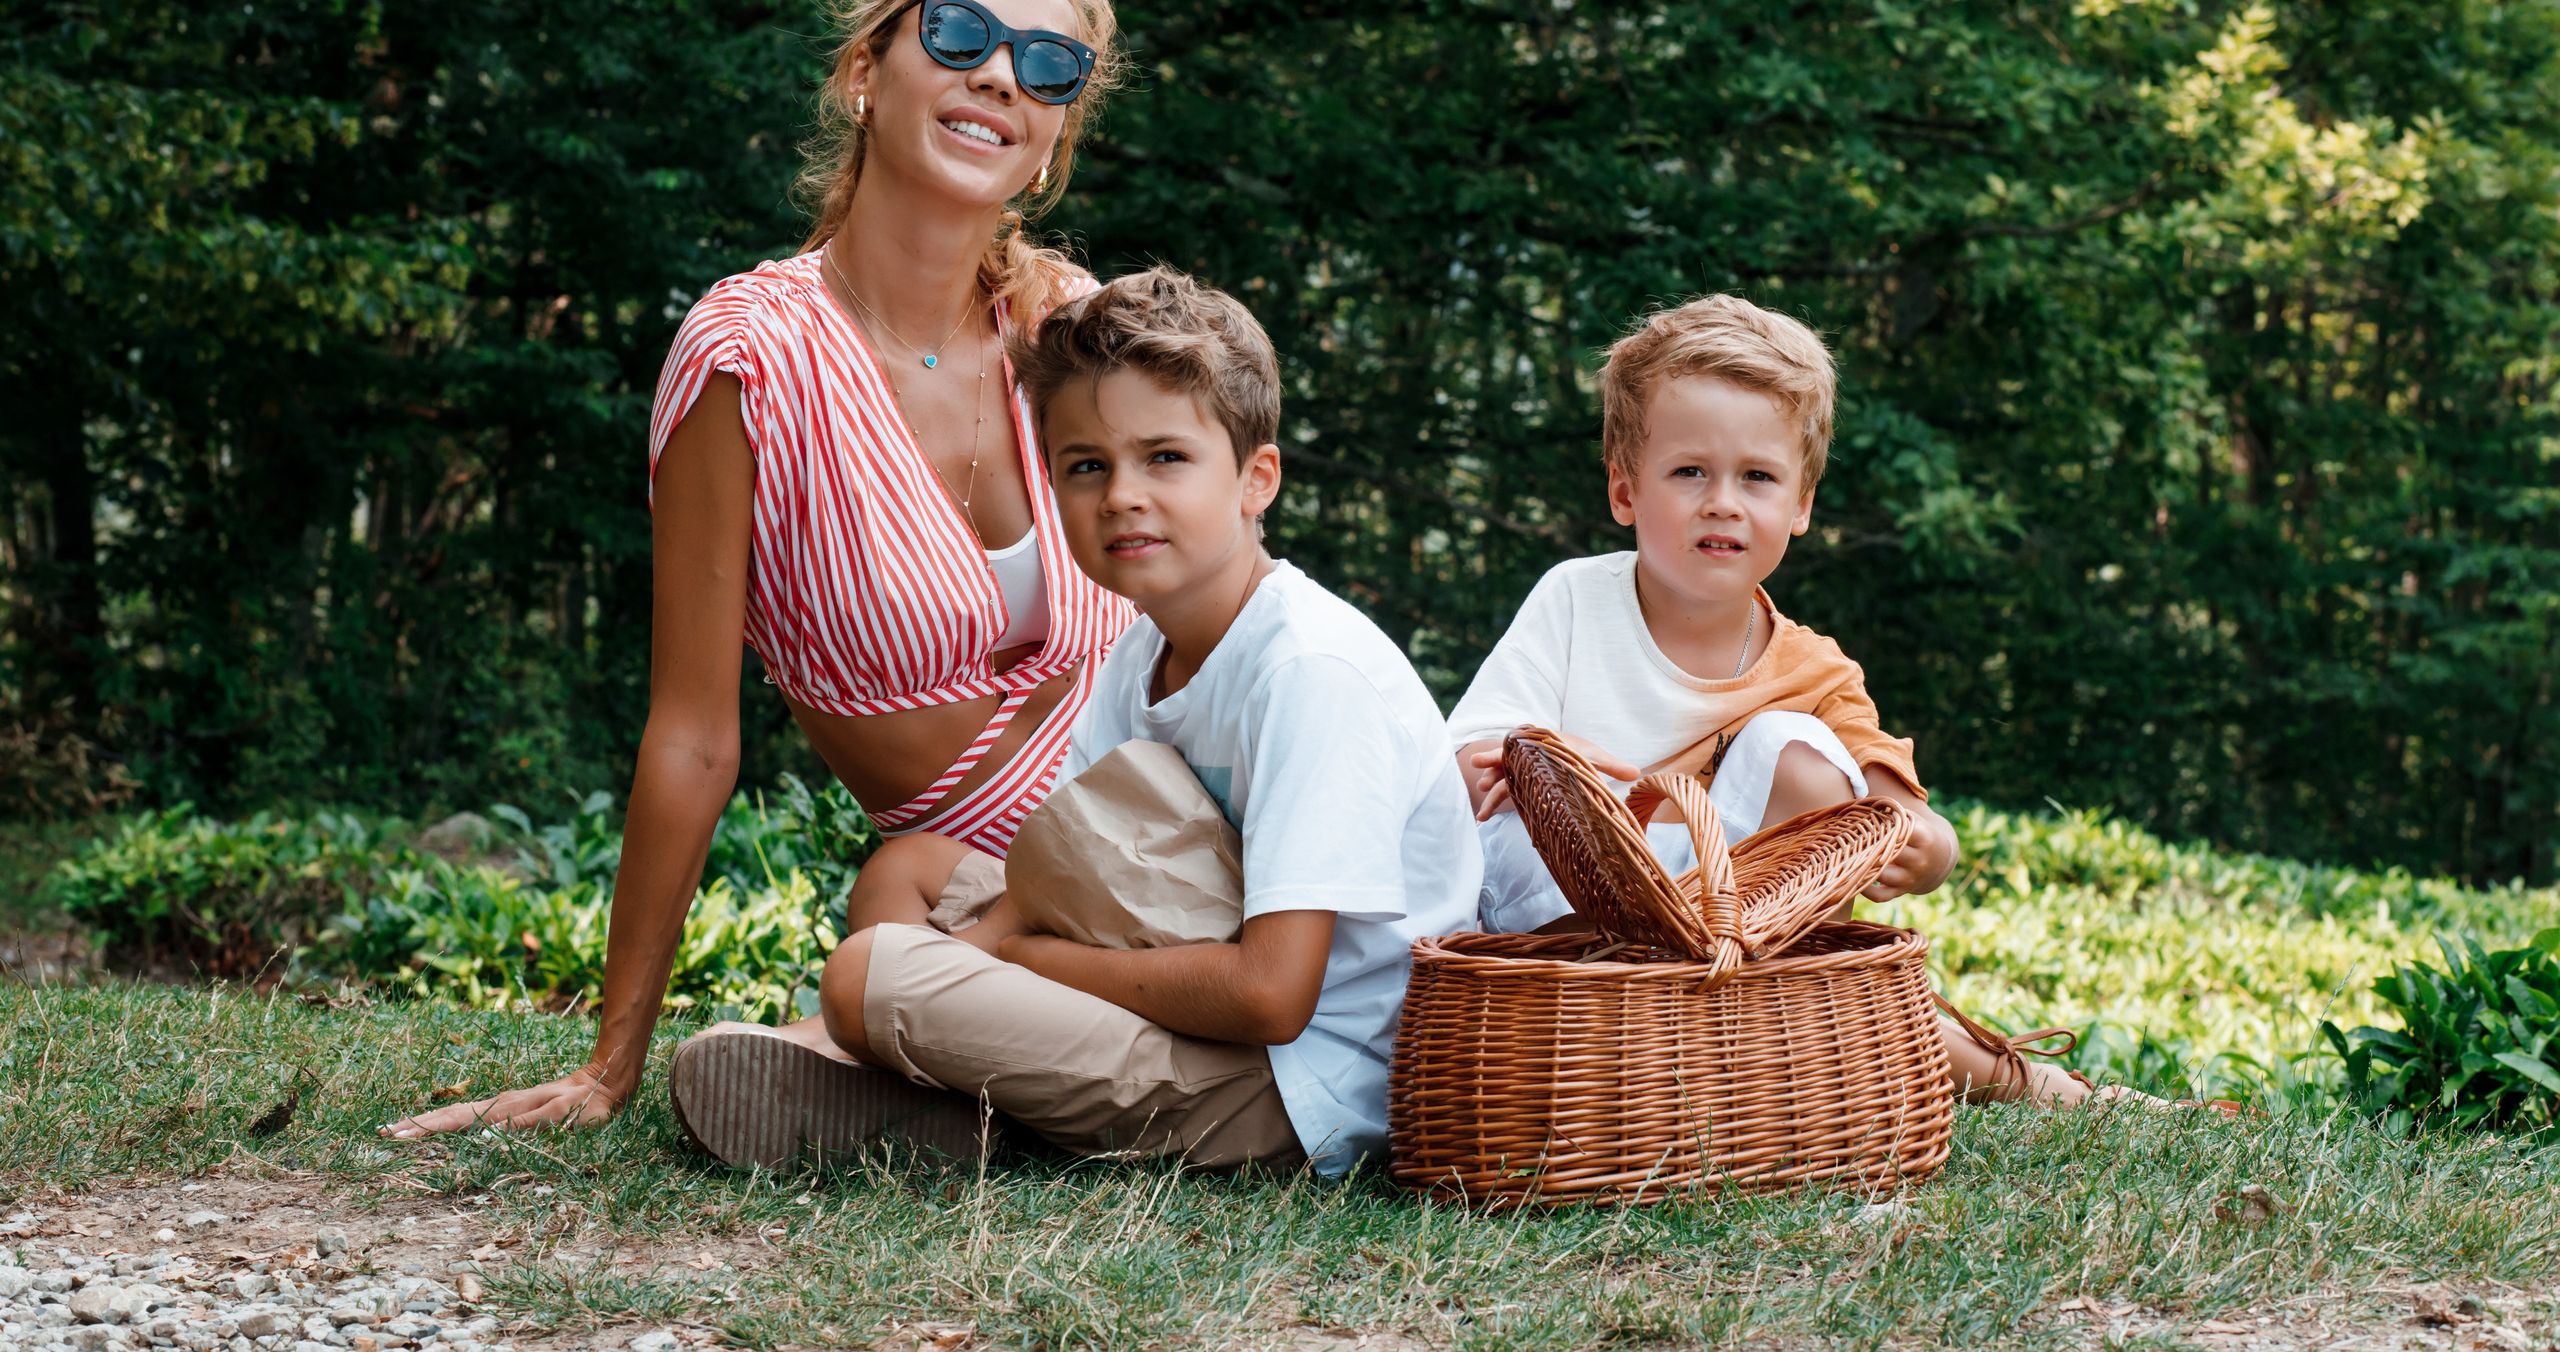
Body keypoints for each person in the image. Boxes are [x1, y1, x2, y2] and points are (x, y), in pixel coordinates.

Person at [384, 0, 1137, 1140]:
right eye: (958, 33)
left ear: (1051, 135)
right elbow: (692, 736)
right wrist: (606, 1069)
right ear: (863, 72)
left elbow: (1217, 586)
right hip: (988, 878)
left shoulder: (1071, 328)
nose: (999, 75)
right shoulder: (750, 360)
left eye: (1046, 66)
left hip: (1182, 807)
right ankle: (1012, 1067)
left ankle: (932, 1079)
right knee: (890, 932)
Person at [664, 268, 1482, 1174]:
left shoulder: (1309, 671)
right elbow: (1064, 871)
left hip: (1297, 1084)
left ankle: (924, 1076)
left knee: (866, 974)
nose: (1121, 494)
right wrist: (978, 952)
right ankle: (944, 1089)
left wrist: (1007, 958)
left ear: (1258, 479)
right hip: (1178, 954)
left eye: (1165, 457)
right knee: (910, 871)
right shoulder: (1142, 651)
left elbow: (1270, 996)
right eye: (1085, 465)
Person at [1449, 292, 2097, 1105]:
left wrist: (1925, 844)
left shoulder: (1812, 666)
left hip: (1729, 929)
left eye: (1757, 477)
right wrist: (1523, 765)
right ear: (1624, 491)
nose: (1723, 500)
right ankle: (1956, 1062)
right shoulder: (1575, 601)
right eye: (1689, 471)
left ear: (1800, 505)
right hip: (1559, 913)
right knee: (1517, 776)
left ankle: (2000, 1073)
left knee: (1796, 747)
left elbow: (1887, 796)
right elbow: (1473, 749)